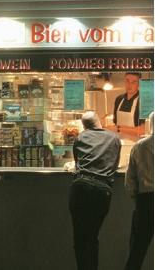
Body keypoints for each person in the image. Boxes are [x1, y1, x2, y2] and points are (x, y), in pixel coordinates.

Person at [69, 111, 121, 270]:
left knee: (80, 239)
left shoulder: (80, 138)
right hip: (101, 190)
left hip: (80, 187)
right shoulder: (114, 138)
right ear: (99, 122)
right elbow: (115, 165)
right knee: (92, 237)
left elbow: (77, 163)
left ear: (84, 126)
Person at [124, 111, 153, 270]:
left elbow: (130, 179)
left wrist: (136, 199)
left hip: (146, 200)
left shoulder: (139, 146)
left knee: (137, 249)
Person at [110, 72, 145, 140]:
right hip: (119, 142)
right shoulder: (119, 99)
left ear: (139, 84)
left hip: (136, 143)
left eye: (133, 82)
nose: (129, 85)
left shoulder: (143, 101)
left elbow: (143, 131)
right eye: (127, 81)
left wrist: (118, 129)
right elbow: (116, 124)